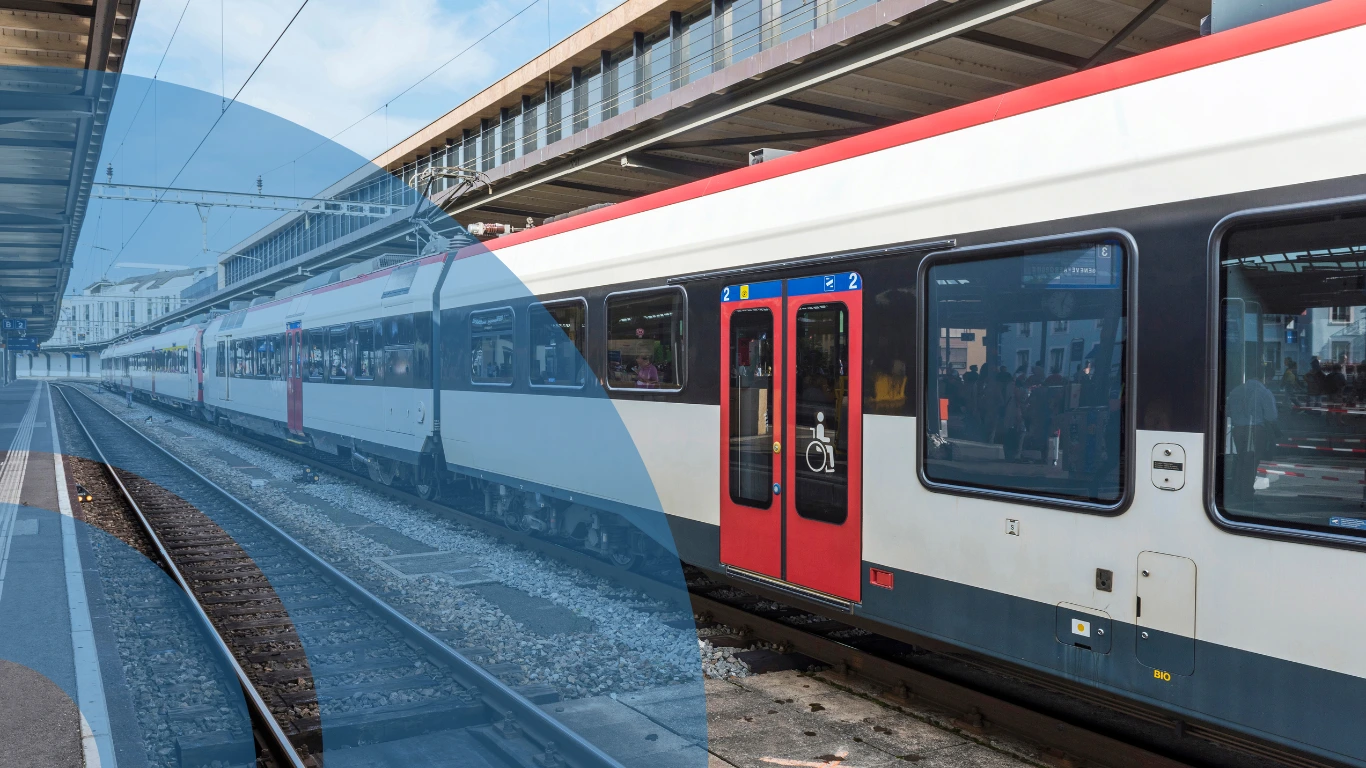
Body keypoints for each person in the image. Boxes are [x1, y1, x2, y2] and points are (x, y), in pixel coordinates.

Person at [1226, 363, 1279, 504]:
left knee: (1241, 459)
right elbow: (1271, 416)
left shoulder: (1236, 390)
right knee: (1251, 462)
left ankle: (1237, 489)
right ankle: (1246, 493)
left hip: (1237, 429)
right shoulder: (1264, 392)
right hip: (1255, 429)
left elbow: (1228, 411)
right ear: (1264, 377)